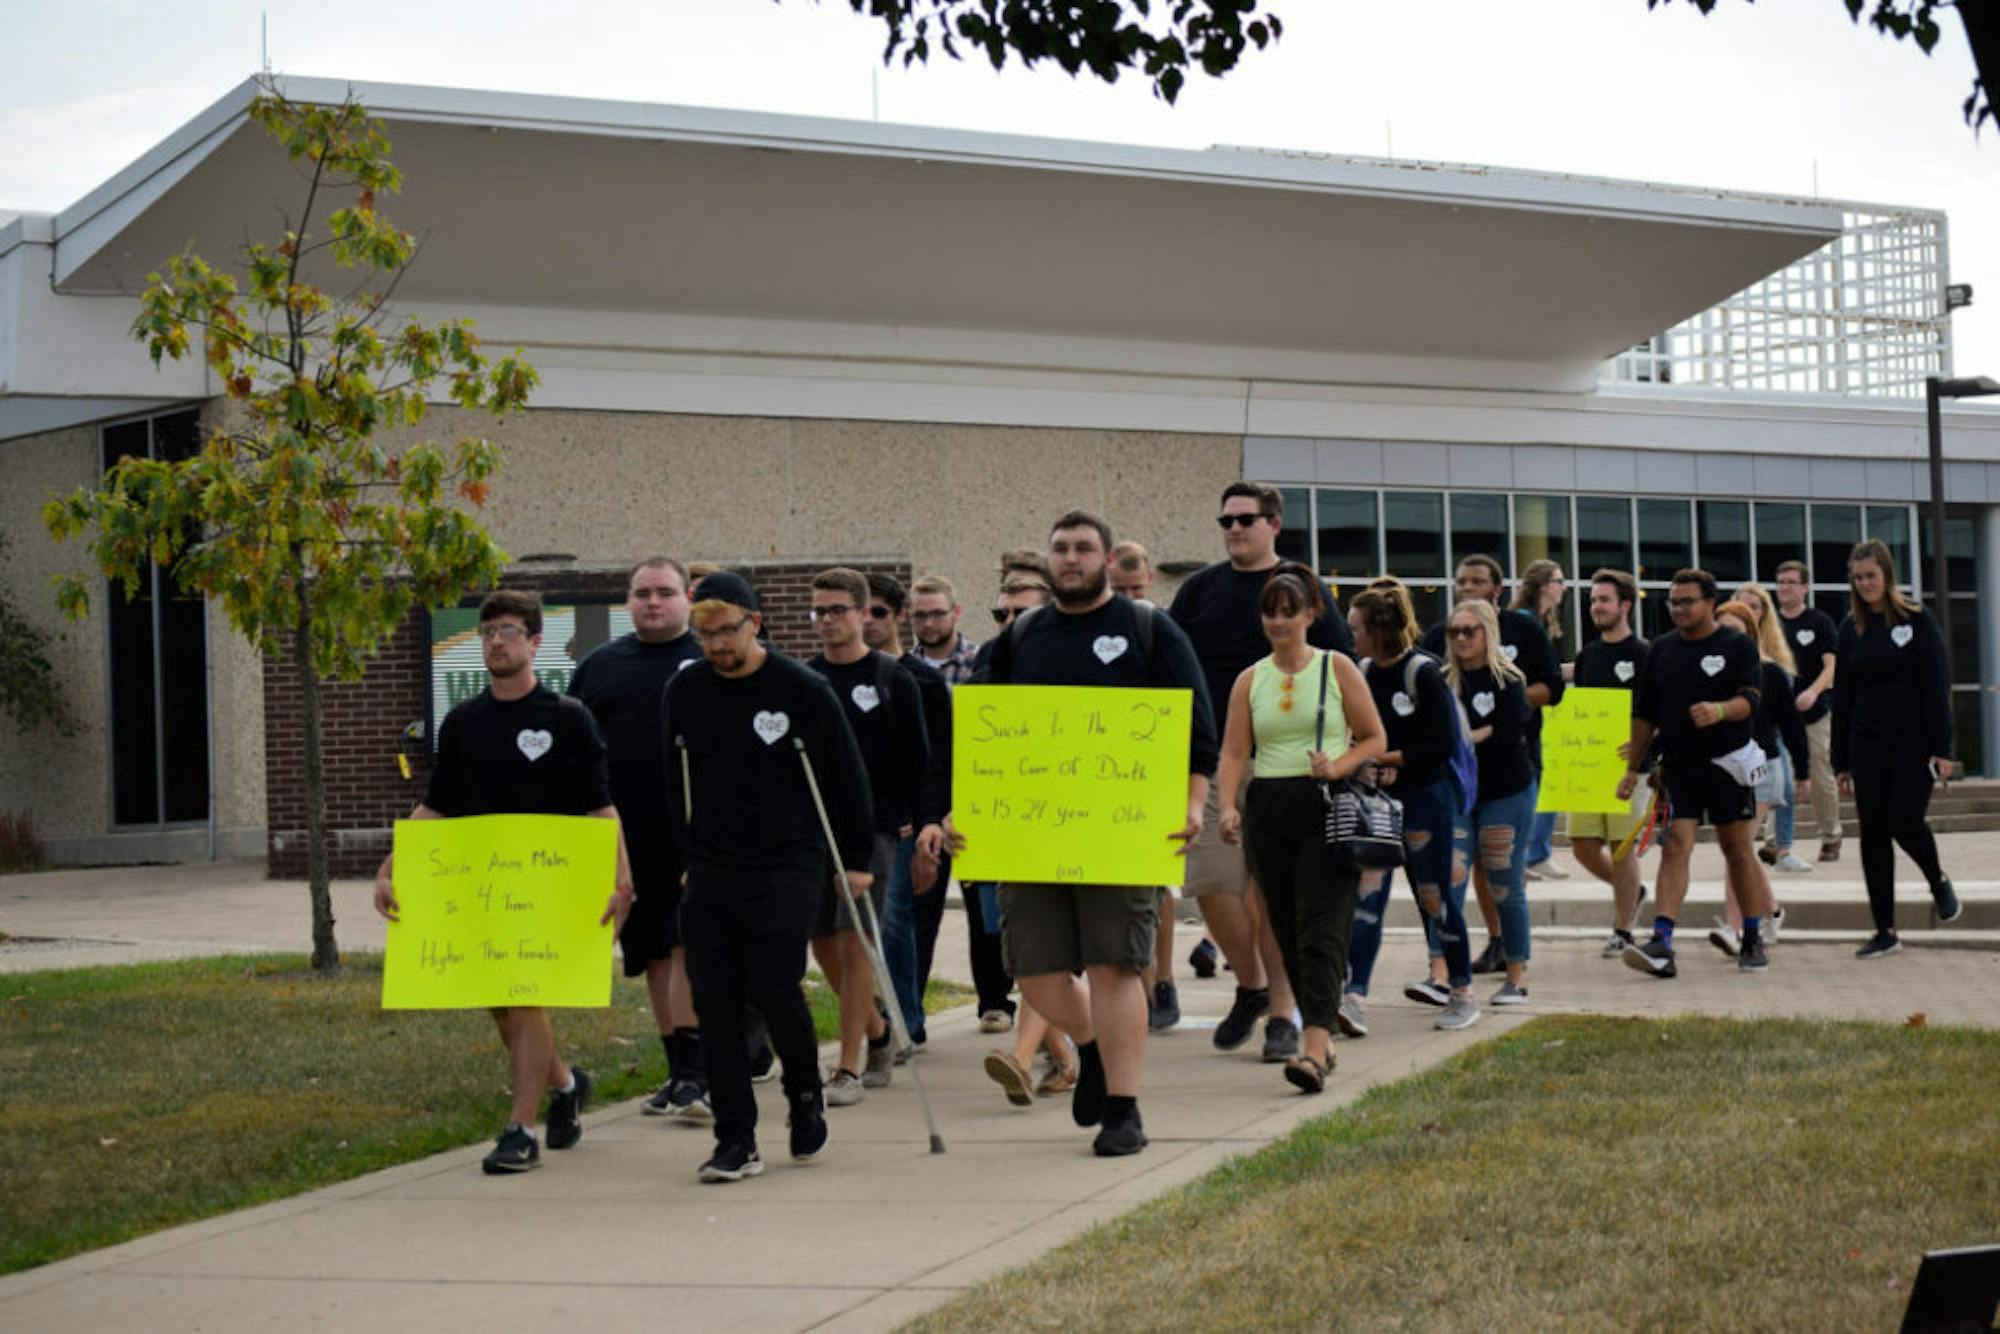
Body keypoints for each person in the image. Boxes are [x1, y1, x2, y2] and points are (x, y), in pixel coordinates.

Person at [951, 509, 1218, 1156]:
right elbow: (985, 735)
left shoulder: (1149, 630)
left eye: (1083, 549)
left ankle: (1124, 1110)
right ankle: (1093, 1051)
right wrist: (963, 811)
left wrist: (1192, 804)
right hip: (1033, 835)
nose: (1070, 558)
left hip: (1123, 832)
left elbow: (1199, 733)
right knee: (1036, 972)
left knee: (1116, 967)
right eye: (1061, 549)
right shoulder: (1019, 640)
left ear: (1106, 559)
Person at [373, 589, 634, 1175]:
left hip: (549, 887)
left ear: (536, 642)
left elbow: (599, 809)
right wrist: (394, 866)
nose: (496, 640)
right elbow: (437, 806)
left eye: (509, 631)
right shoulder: (463, 721)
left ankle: (521, 1128)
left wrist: (623, 881)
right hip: (481, 886)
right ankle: (566, 1085)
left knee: (524, 996)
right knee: (499, 1001)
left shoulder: (568, 718)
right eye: (488, 631)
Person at [663, 570, 877, 1182]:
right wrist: (683, 857)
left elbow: (844, 776)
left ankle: (805, 1096)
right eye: (703, 635)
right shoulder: (686, 692)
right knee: (715, 1000)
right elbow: (668, 775)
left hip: (788, 860)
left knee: (773, 987)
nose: (716, 646)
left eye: (726, 632)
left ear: (755, 624)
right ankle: (736, 1137)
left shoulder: (801, 689)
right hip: (711, 863)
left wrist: (856, 860)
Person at [1169, 482, 1354, 1064]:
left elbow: (1341, 675)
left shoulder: (1304, 587)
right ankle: (1249, 985)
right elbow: (1169, 667)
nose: (1232, 528)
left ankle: (1282, 1010)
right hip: (1212, 758)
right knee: (1215, 886)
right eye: (1224, 519)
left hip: (1288, 767)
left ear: (1274, 523)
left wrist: (1340, 760)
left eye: (1245, 519)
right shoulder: (1199, 591)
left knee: (1275, 893)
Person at [1217, 564, 1385, 1092]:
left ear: (1312, 614)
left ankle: (1313, 1044)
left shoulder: (1337, 668)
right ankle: (1322, 1037)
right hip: (1269, 806)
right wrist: (1227, 805)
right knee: (1286, 926)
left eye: (1290, 611)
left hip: (1324, 804)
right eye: (1271, 611)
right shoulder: (1251, 679)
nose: (1279, 621)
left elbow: (1374, 737)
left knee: (1321, 924)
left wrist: (1336, 766)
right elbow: (1235, 750)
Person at [567, 557, 708, 1119]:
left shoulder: (706, 661)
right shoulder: (601, 667)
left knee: (686, 947)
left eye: (665, 593)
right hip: (626, 840)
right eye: (642, 593)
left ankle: (698, 1073)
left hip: (697, 835)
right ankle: (678, 1071)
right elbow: (574, 749)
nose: (653, 602)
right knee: (650, 953)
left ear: (687, 598)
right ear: (627, 601)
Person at [805, 567, 934, 1106]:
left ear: (863, 614)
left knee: (858, 942)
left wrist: (915, 821)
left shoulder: (891, 678)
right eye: (820, 611)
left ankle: (849, 1066)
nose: (829, 620)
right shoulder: (805, 680)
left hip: (876, 831)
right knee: (823, 944)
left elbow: (918, 759)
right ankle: (880, 1031)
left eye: (839, 609)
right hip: (812, 830)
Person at [1618, 568, 1772, 978]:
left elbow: (1751, 699)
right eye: (1673, 602)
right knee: (1675, 846)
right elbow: (1645, 715)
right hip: (1679, 767)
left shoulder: (1737, 645)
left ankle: (1752, 935)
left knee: (1737, 850)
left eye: (1686, 601)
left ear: (1709, 603)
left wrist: (1720, 710)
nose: (1678, 609)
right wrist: (1633, 768)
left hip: (1728, 764)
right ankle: (1662, 941)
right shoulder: (1661, 651)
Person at [1342, 580, 1479, 1035]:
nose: (1352, 636)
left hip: (1426, 804)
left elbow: (1439, 745)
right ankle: (1354, 996)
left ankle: (1461, 990)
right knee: (1366, 901)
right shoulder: (1361, 671)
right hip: (1377, 807)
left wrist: (1386, 758)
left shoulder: (1424, 672)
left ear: (1378, 629)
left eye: (1356, 628)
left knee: (1435, 898)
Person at [1421, 554, 1562, 972]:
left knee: (1500, 867)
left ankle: (1512, 959)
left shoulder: (1523, 632)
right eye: (1461, 581)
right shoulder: (1438, 640)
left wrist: (1503, 705)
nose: (1467, 587)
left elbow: (1553, 687)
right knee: (1454, 870)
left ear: (1497, 589)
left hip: (1513, 765)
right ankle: (1460, 959)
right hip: (1457, 779)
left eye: (1476, 581)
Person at [1832, 538, 1961, 959]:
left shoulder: (1916, 620)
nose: (1865, 583)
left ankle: (1938, 881)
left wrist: (1943, 748)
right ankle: (1884, 930)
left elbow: (1936, 685)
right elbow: (1844, 695)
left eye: (1871, 575)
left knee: (1903, 818)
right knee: (1872, 833)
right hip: (1866, 742)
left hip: (1914, 740)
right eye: (1858, 578)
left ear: (1887, 575)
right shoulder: (1850, 628)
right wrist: (1841, 760)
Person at [862, 572, 953, 1052]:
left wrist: (928, 824)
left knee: (897, 921)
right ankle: (872, 1020)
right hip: (854, 824)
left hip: (905, 825)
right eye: (859, 611)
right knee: (851, 930)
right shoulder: (831, 677)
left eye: (878, 611)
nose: (867, 621)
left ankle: (904, 1021)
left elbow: (937, 763)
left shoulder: (922, 682)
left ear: (899, 616)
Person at [1443, 599, 1536, 1006]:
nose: (1461, 638)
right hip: (1461, 795)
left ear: (1488, 633)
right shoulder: (1443, 681)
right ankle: (1443, 972)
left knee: (1504, 882)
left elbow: (1507, 733)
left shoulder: (1509, 680)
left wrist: (1462, 739)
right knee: (1447, 880)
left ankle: (1516, 975)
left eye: (1470, 631)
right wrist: (1471, 737)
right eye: (1455, 631)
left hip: (1506, 792)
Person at [1108, 538, 1182, 1031]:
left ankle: (1163, 979)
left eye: (1137, 587)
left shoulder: (1158, 627)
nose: (1131, 595)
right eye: (1121, 588)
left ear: (1150, 580)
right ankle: (1134, 982)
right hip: (1105, 773)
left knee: (1160, 886)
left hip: (1155, 769)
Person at [1705, 599, 1802, 959]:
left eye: (1736, 630)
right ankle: (1772, 911)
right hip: (1725, 769)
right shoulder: (1710, 673)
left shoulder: (1769, 673)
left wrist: (1803, 774)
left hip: (1763, 770)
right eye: (1722, 628)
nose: (1727, 637)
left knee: (1738, 849)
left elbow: (1791, 726)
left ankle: (1734, 928)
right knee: (1741, 850)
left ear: (1751, 633)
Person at [1565, 569, 1652, 957]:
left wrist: (1638, 745)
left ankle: (1623, 929)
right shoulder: (1588, 655)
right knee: (1582, 846)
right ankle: (1632, 892)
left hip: (1630, 768)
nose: (1596, 607)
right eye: (1593, 600)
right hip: (1590, 765)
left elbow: (1661, 710)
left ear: (1625, 605)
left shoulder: (1646, 654)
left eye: (1604, 600)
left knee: (1622, 848)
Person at [1772, 561, 1843, 864]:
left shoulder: (1819, 622)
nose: (1784, 587)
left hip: (1813, 713)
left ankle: (1831, 835)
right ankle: (1774, 841)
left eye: (1791, 582)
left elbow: (1832, 667)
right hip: (1778, 715)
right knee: (1778, 778)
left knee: (1818, 773)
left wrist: (1813, 692)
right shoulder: (1771, 624)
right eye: (1780, 582)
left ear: (1804, 587)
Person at [1509, 559, 1570, 882]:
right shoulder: (1525, 622)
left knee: (1539, 783)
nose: (1563, 588)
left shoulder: (1538, 622)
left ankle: (1534, 852)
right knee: (1531, 785)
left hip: (1530, 720)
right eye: (1560, 581)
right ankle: (1530, 853)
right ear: (1544, 585)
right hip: (1522, 722)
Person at [910, 574, 980, 686]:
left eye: (938, 614)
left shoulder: (979, 662)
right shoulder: (903, 668)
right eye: (920, 615)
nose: (928, 623)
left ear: (957, 613)